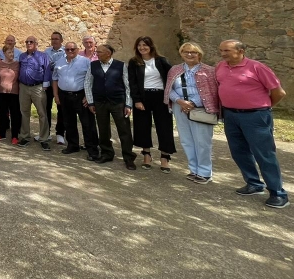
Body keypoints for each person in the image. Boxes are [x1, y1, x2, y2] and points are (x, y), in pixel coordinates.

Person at [216, 40, 288, 208]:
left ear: (241, 50)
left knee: (264, 154)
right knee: (239, 152)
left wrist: (264, 107)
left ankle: (278, 193)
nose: (223, 53)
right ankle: (254, 184)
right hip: (231, 115)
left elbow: (279, 92)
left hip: (255, 117)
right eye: (221, 50)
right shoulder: (221, 67)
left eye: (227, 50)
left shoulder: (257, 67)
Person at [163, 42, 219, 184]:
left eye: (193, 52)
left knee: (202, 141)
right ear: (181, 53)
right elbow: (169, 89)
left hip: (200, 109)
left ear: (199, 54)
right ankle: (194, 169)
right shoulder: (174, 70)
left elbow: (212, 92)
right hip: (179, 107)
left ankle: (205, 172)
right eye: (185, 52)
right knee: (186, 140)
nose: (189, 54)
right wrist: (180, 101)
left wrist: (192, 103)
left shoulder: (209, 71)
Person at [85, 44, 136, 170]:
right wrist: (91, 102)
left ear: (108, 53)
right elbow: (87, 83)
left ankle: (128, 157)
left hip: (118, 102)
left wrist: (128, 104)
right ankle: (107, 153)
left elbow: (127, 85)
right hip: (100, 102)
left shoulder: (121, 65)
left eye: (100, 52)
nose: (97, 54)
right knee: (103, 129)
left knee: (124, 130)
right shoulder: (93, 65)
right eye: (97, 52)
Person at [128, 36, 174, 172]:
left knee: (164, 126)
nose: (142, 48)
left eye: (145, 45)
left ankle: (165, 157)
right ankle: (146, 155)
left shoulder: (162, 60)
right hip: (143, 97)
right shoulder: (134, 62)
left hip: (160, 97)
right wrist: (136, 100)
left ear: (151, 46)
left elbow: (172, 77)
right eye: (139, 45)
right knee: (142, 126)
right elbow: (132, 83)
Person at [52, 42, 98, 159]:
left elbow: (92, 79)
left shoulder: (85, 61)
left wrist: (88, 96)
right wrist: (56, 95)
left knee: (87, 123)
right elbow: (55, 79)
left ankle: (92, 149)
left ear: (77, 50)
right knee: (68, 122)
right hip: (64, 96)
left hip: (81, 95)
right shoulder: (60, 62)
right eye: (67, 49)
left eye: (72, 49)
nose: (70, 51)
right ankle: (73, 145)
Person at [18, 36, 52, 150]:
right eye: (27, 42)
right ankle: (25, 137)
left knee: (42, 113)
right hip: (23, 87)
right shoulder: (22, 56)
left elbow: (47, 70)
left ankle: (44, 138)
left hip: (38, 87)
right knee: (24, 112)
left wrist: (46, 85)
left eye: (31, 42)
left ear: (36, 43)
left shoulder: (43, 56)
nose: (28, 43)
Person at [0, 46, 20, 144]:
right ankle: (2, 133)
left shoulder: (17, 64)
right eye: (9, 52)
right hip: (2, 93)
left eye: (12, 52)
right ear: (4, 53)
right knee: (2, 114)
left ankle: (15, 136)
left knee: (15, 115)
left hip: (14, 93)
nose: (11, 54)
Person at [44, 31, 66, 145]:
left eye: (56, 39)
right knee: (46, 108)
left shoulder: (66, 52)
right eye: (52, 39)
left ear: (61, 40)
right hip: (49, 83)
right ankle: (46, 133)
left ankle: (60, 134)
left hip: (60, 85)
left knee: (61, 109)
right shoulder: (46, 51)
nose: (54, 41)